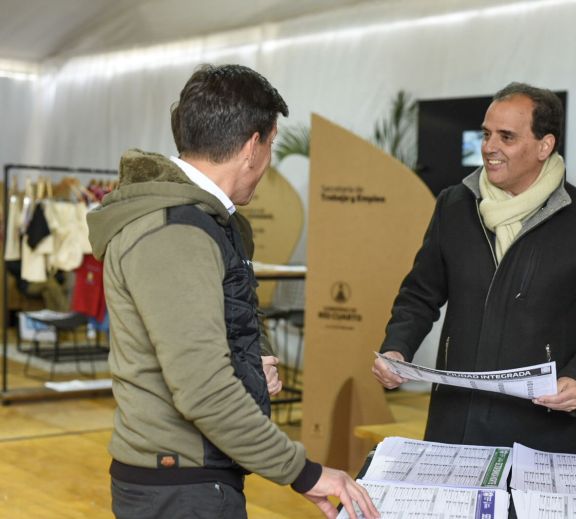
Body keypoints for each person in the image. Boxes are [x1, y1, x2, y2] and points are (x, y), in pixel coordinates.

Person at [87, 64, 378, 519]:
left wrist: (249, 361)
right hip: (181, 488)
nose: (267, 161)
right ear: (252, 147)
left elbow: (211, 326)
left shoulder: (210, 223)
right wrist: (304, 472)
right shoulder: (177, 232)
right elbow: (202, 390)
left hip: (195, 478)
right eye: (272, 145)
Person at [371, 82, 576, 454]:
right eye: (487, 134)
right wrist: (397, 348)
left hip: (541, 426)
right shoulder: (454, 205)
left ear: (545, 145)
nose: (489, 148)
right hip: (455, 419)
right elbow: (420, 293)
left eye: (506, 137)